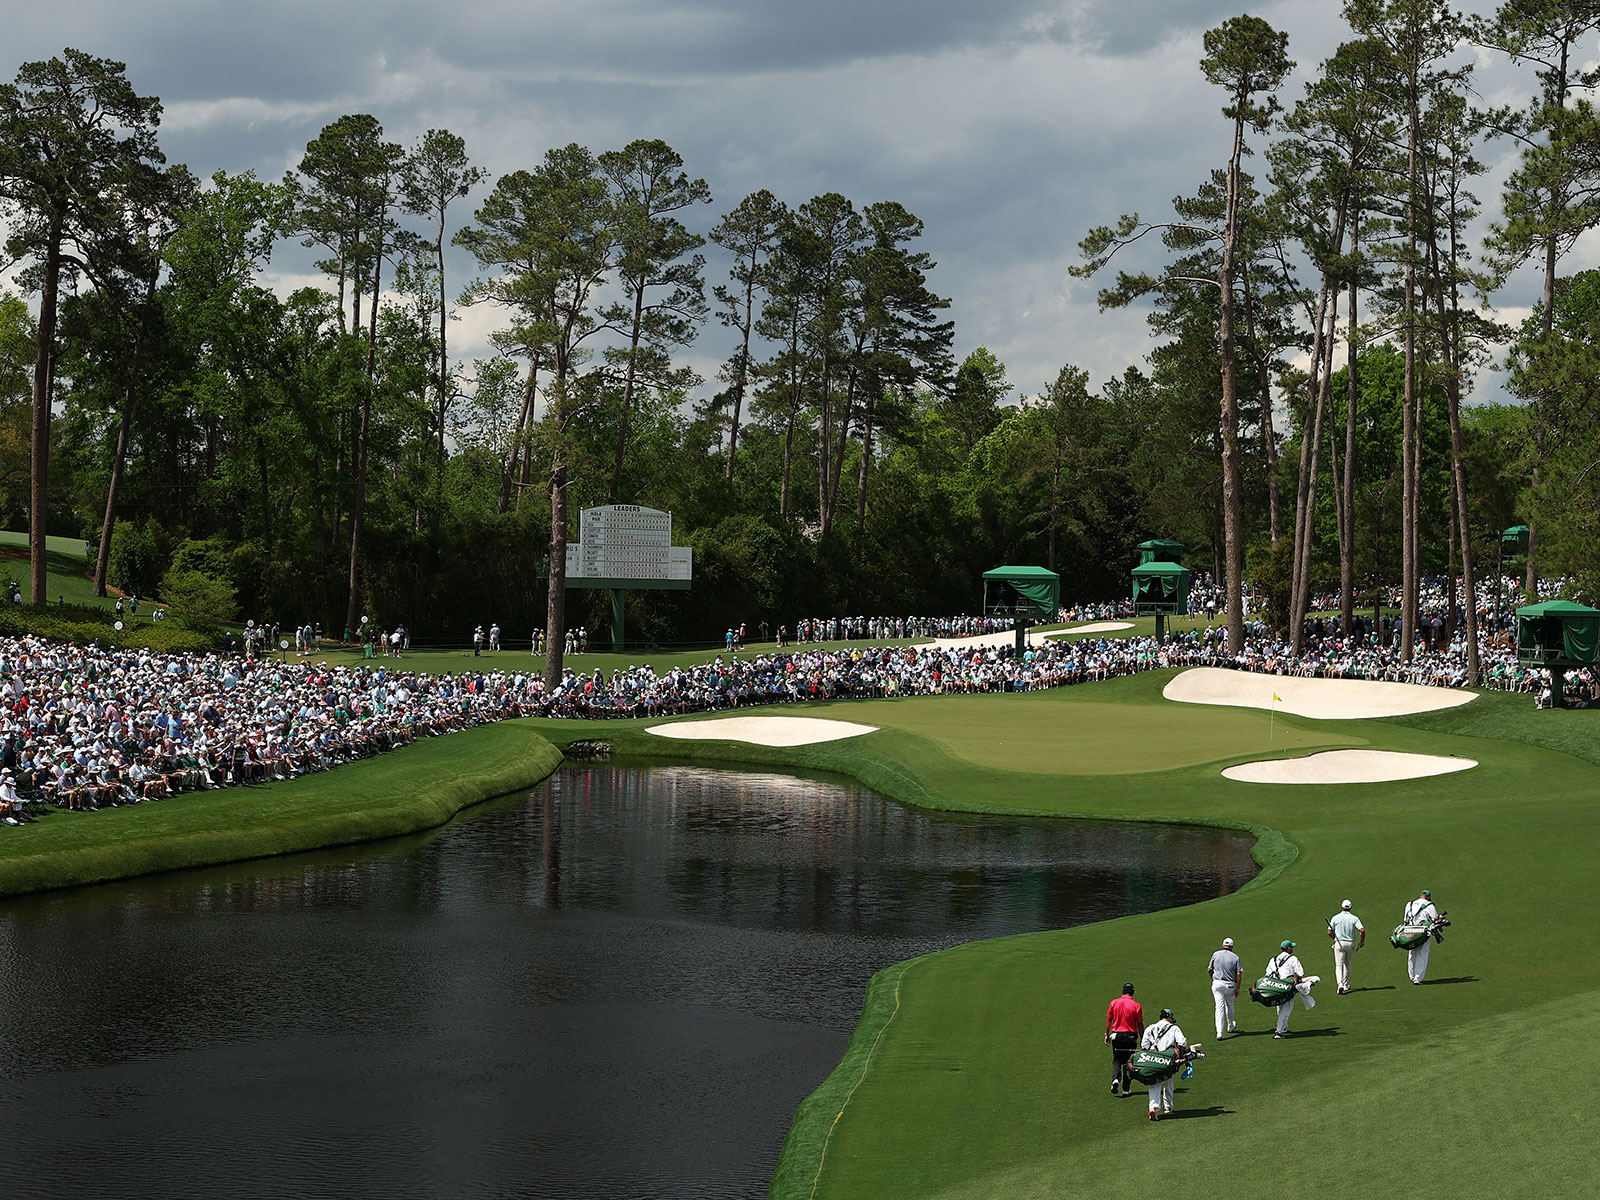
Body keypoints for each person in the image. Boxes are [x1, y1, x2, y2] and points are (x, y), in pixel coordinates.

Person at [1139, 1008, 1188, 1120]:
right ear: (1169, 1017)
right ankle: (1168, 1107)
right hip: (1167, 1059)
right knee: (1168, 1082)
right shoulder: (1174, 1028)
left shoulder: (1150, 1028)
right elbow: (1183, 1042)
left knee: (1154, 1083)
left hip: (1153, 1059)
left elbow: (1144, 1045)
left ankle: (1153, 1108)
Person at [1104, 982, 1143, 1097]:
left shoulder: (1114, 1003)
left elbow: (1109, 1020)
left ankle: (1115, 1079)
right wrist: (1143, 1037)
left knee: (1116, 1059)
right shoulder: (1137, 1005)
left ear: (1122, 991)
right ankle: (1126, 1088)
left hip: (1116, 1035)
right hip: (1130, 1036)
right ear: (1133, 992)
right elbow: (1139, 1023)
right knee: (1129, 1061)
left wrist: (1106, 1034)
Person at [1265, 940, 1304, 1038]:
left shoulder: (1273, 959)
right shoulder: (1293, 959)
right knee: (1286, 1009)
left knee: (1280, 1007)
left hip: (1274, 987)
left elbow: (1267, 974)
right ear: (1288, 948)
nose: (1292, 948)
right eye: (1291, 947)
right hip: (1287, 988)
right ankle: (1279, 1031)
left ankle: (1283, 1027)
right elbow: (1300, 973)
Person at [1207, 936, 1242, 1039]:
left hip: (1217, 984)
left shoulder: (1215, 954)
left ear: (1223, 945)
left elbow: (1209, 969)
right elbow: (1239, 974)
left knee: (1219, 1008)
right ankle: (1230, 1026)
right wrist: (1238, 988)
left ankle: (1219, 1033)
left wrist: (1213, 980)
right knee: (1230, 1005)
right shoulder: (1235, 957)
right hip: (1230, 985)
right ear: (1232, 946)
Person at [1327, 899, 1365, 994]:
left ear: (1342, 907)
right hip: (1350, 943)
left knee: (1339, 965)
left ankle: (1340, 985)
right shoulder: (1354, 918)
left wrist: (1334, 938)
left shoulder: (1335, 917)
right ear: (1350, 908)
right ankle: (1345, 985)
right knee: (1347, 965)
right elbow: (1362, 930)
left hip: (1339, 944)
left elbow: (1329, 932)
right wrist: (1362, 942)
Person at [1403, 889, 1439, 984]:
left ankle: (1412, 975)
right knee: (1422, 954)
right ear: (1428, 897)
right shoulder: (1430, 905)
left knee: (1412, 953)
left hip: (1409, 932)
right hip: (1423, 932)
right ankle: (1417, 978)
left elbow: (1405, 919)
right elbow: (1435, 919)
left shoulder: (1409, 904)